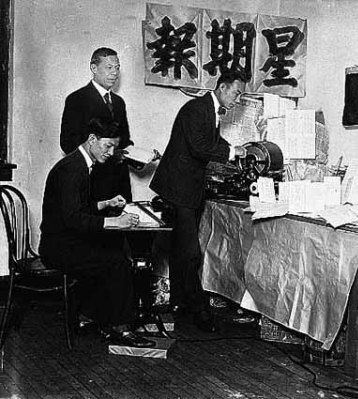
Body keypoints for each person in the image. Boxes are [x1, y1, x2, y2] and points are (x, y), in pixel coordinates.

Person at [39, 117, 154, 348]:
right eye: (107, 146)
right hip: (57, 248)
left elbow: (75, 209)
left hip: (64, 240)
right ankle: (121, 329)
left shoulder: (80, 164)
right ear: (92, 139)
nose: (111, 152)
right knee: (117, 261)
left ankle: (90, 316)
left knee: (110, 252)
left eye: (114, 147)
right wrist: (115, 222)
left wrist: (104, 203)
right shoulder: (72, 170)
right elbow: (72, 219)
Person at [149, 72, 246, 332]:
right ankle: (197, 309)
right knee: (190, 252)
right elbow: (199, 147)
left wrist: (237, 148)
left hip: (188, 189)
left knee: (183, 251)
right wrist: (233, 152)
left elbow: (211, 141)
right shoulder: (196, 108)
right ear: (223, 88)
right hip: (178, 189)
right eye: (236, 93)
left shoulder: (210, 109)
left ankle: (182, 305)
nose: (238, 99)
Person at [60, 47, 132, 203]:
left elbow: (124, 140)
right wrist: (99, 153)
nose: (115, 73)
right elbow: (67, 143)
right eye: (109, 67)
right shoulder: (77, 99)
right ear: (94, 68)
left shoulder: (119, 103)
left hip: (119, 181)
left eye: (117, 68)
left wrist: (139, 156)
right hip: (92, 180)